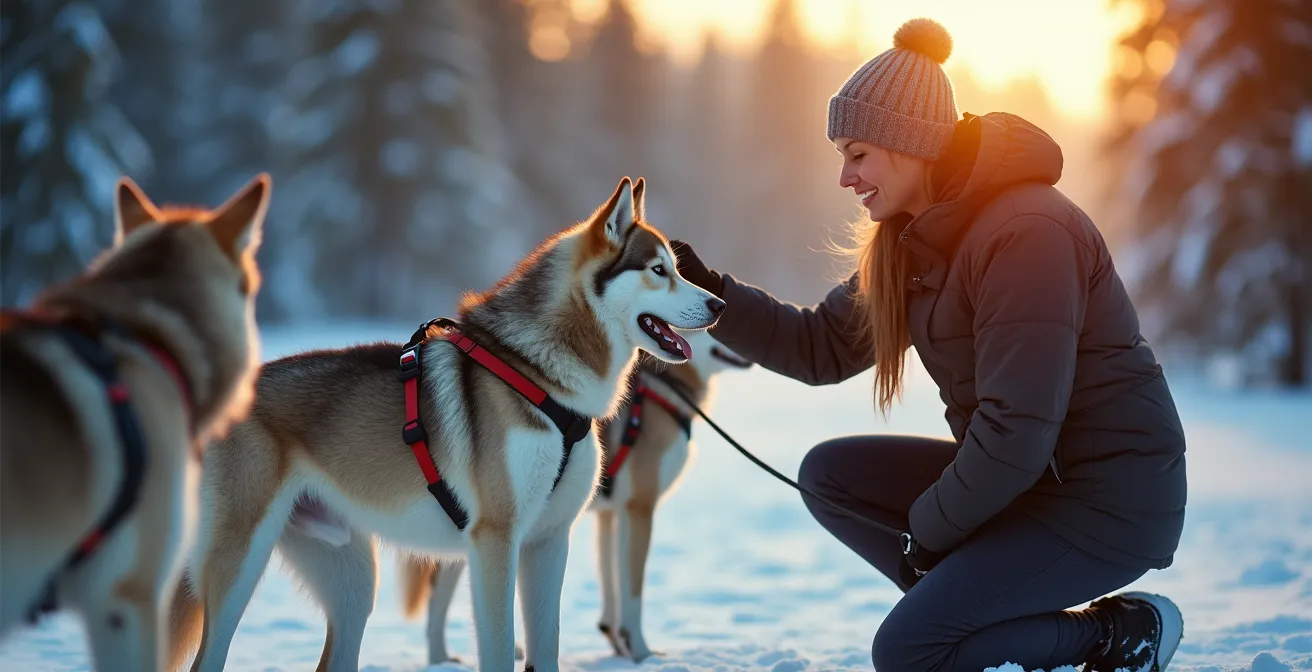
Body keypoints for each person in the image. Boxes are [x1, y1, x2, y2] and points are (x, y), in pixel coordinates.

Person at [669, 17, 1187, 672]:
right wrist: (706, 289)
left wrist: (929, 535)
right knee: (832, 477)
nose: (845, 177)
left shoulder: (1027, 232)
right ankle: (968, 622)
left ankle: (1116, 635)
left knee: (909, 651)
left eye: (858, 154)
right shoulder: (915, 244)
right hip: (1030, 483)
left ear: (909, 144)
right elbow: (819, 348)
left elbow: (1016, 430)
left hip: (1104, 499)